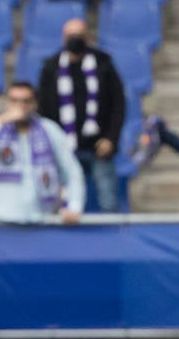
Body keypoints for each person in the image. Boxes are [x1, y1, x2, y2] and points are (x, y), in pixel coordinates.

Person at [0, 81, 86, 224]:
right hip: (0, 218)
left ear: (35, 104)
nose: (20, 106)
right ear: (6, 103)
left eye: (26, 101)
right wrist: (3, 119)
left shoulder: (50, 129)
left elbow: (72, 170)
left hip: (41, 217)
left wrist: (75, 206)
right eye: (14, 101)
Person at [37, 19, 129, 212]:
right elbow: (43, 110)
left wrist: (111, 139)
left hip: (98, 147)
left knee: (108, 201)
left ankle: (111, 240)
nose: (75, 39)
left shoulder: (103, 64)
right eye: (71, 36)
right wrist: (51, 142)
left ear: (87, 37)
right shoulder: (51, 68)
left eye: (79, 35)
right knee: (62, 202)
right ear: (63, 38)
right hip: (63, 146)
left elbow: (118, 104)